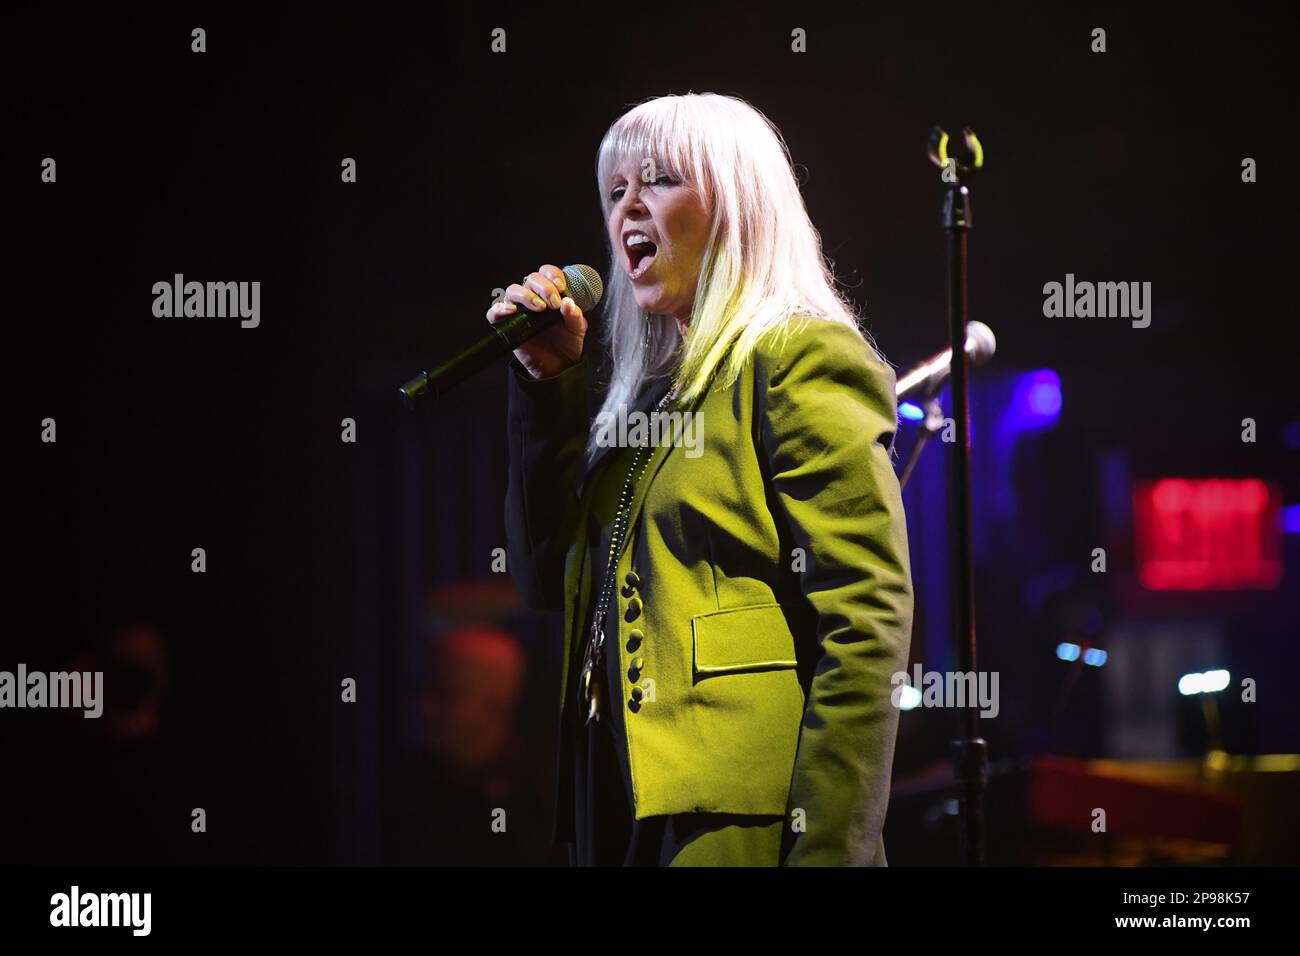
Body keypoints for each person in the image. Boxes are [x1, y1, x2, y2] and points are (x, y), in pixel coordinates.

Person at [488, 92, 913, 866]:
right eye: (615, 192)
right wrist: (549, 386)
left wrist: (827, 850)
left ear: (738, 204)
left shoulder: (799, 356)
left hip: (742, 818)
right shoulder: (648, 399)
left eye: (658, 181)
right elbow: (545, 576)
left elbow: (865, 619)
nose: (628, 208)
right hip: (620, 810)